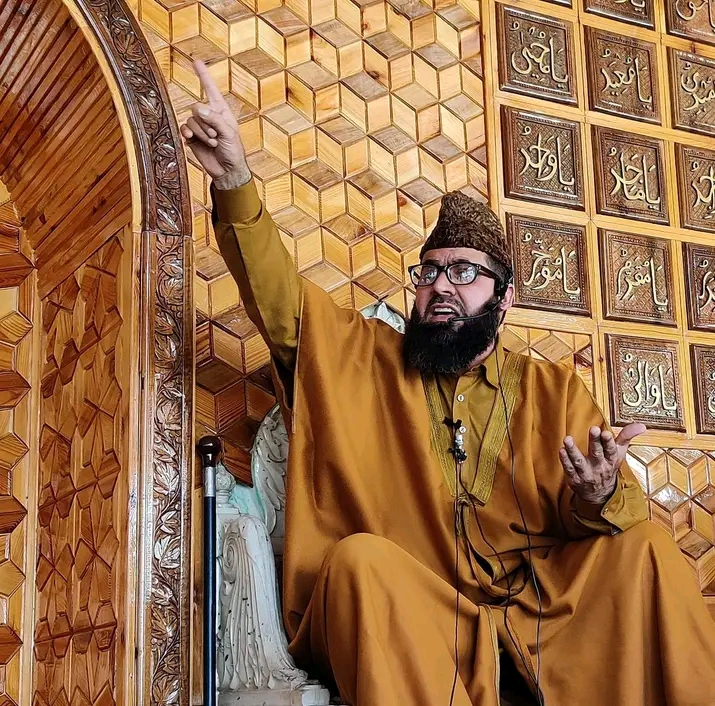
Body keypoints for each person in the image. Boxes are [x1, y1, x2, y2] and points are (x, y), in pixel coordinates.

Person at [183, 60, 715, 706]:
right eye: (429, 272)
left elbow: (600, 522)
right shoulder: (361, 355)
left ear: (504, 297)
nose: (440, 287)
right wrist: (234, 179)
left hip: (542, 615)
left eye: (463, 272)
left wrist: (598, 493)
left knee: (648, 548)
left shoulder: (551, 391)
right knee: (358, 564)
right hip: (417, 612)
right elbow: (278, 301)